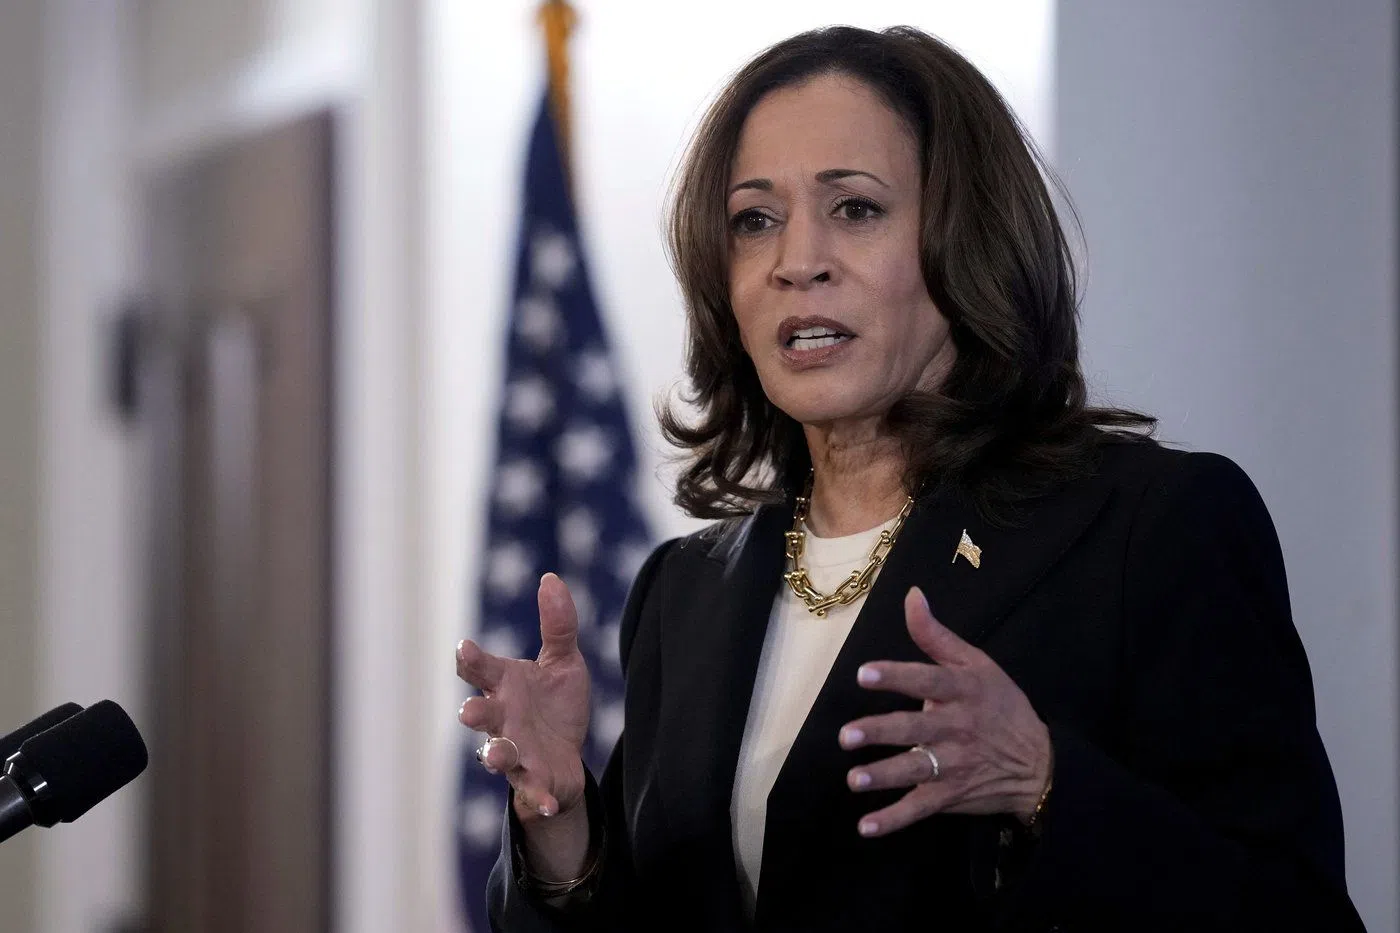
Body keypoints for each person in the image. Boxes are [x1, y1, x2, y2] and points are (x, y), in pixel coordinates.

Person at [456, 25, 1365, 932]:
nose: (796, 260)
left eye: (854, 208)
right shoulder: (684, 592)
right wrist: (564, 821)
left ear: (963, 239)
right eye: (754, 219)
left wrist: (1044, 784)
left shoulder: (1152, 530)